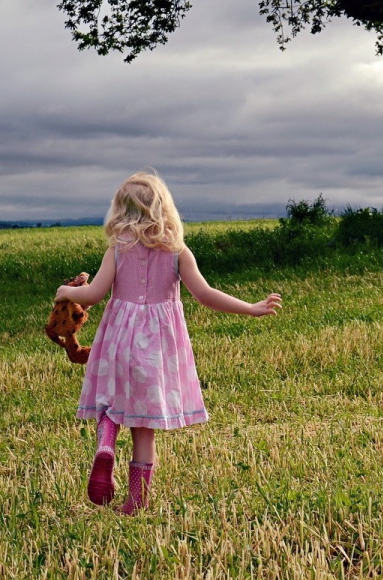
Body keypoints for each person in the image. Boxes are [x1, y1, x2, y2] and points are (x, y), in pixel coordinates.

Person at [54, 171, 282, 515]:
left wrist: (66, 292)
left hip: (119, 339)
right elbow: (205, 295)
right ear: (163, 209)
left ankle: (105, 446)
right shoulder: (177, 252)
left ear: (120, 212)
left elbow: (95, 294)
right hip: (157, 349)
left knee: (109, 401)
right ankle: (136, 500)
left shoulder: (117, 250)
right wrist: (250, 308)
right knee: (144, 429)